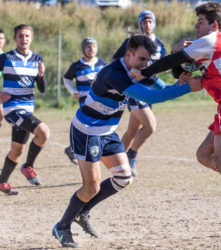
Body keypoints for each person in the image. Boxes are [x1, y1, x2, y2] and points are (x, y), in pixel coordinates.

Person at [130, 2, 221, 238]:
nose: (196, 25)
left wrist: (143, 72)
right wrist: (178, 64)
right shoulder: (207, 46)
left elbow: (171, 62)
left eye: (200, 21)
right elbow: (178, 69)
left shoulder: (212, 39)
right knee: (204, 156)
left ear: (213, 25)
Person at [52, 34, 201, 248]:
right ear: (128, 54)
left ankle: (83, 211)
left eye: (147, 60)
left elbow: (159, 86)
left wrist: (179, 82)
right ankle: (62, 226)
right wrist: (187, 88)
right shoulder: (114, 74)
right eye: (141, 59)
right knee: (91, 187)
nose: (145, 64)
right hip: (88, 131)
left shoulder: (138, 70)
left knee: (124, 177)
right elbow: (151, 98)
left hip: (108, 131)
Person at [113, 10, 168, 176]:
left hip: (150, 90)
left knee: (132, 131)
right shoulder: (133, 41)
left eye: (150, 21)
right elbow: (116, 60)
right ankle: (131, 155)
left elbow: (164, 65)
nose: (147, 25)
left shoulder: (159, 44)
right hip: (135, 90)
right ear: (139, 24)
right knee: (150, 127)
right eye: (144, 22)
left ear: (154, 24)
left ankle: (117, 164)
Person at [0, 24, 50, 195]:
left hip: (27, 109)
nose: (24, 39)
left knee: (17, 150)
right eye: (20, 36)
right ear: (15, 38)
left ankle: (2, 182)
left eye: (27, 36)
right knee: (43, 132)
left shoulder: (37, 59)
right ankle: (28, 166)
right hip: (12, 108)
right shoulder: (5, 57)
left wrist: (41, 76)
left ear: (32, 38)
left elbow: (42, 89)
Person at [63, 37, 107, 165]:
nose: (91, 49)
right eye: (88, 46)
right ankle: (84, 152)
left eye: (93, 46)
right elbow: (66, 79)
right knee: (88, 127)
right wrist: (72, 91)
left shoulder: (102, 64)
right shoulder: (77, 66)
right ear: (83, 49)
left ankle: (73, 149)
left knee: (97, 127)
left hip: (101, 102)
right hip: (86, 102)